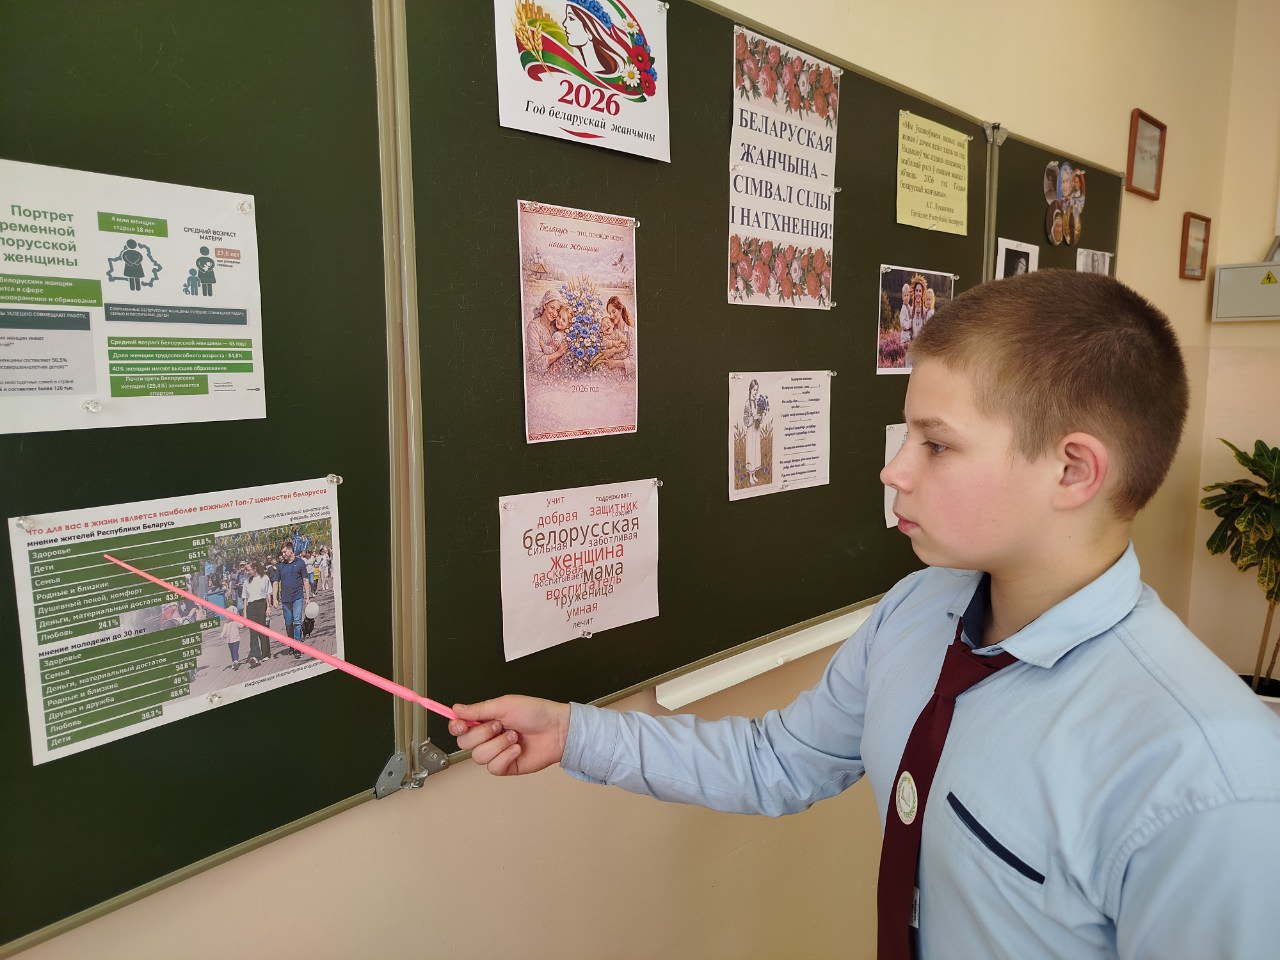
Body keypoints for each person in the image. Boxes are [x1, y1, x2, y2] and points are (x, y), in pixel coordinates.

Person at [451, 271, 1280, 959]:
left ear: (1072, 471)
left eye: (937, 444)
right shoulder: (918, 610)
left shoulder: (1208, 780)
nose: (894, 471)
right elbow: (780, 761)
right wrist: (573, 733)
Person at [273, 541, 310, 660]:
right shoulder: (280, 566)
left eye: (285, 552)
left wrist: (308, 597)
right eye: (282, 552)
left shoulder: (300, 563)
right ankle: (291, 644)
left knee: (297, 622)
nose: (283, 554)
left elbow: (305, 580)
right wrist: (274, 598)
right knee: (289, 624)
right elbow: (275, 582)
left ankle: (297, 647)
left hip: (297, 597)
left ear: (291, 550)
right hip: (285, 599)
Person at [527, 291, 570, 375]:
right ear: (545, 305)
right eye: (552, 308)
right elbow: (537, 362)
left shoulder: (556, 325)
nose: (554, 313)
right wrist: (558, 353)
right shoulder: (534, 327)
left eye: (557, 310)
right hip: (537, 375)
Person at [242, 560, 272, 663]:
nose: (247, 572)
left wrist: (268, 607)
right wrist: (245, 613)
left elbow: (268, 594)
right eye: (246, 570)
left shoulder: (264, 578)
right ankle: (255, 655)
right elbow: (245, 598)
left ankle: (266, 654)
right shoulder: (246, 581)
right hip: (251, 606)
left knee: (263, 630)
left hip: (261, 604)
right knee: (253, 632)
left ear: (255, 569)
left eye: (249, 570)